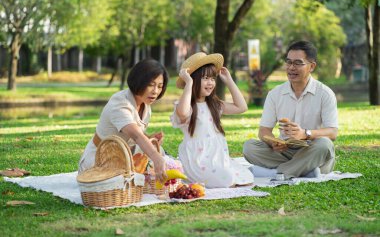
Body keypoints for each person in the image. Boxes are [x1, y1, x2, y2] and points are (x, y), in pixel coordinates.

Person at [243, 40, 338, 179]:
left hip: (312, 149)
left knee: (325, 145)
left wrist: (305, 133)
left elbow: (332, 132)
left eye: (298, 63)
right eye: (288, 62)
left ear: (311, 66)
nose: (291, 67)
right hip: (285, 151)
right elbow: (263, 131)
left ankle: (278, 173)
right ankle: (305, 171)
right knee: (249, 147)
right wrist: (273, 142)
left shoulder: (325, 93)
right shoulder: (275, 94)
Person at [170, 52, 254, 188]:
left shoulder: (214, 105)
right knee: (227, 179)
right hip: (198, 159)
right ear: (194, 80)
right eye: (205, 78)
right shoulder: (186, 106)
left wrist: (229, 81)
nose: (210, 82)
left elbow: (241, 107)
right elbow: (183, 113)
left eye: (212, 78)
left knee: (245, 176)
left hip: (217, 157)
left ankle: (221, 173)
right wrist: (188, 83)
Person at [78, 59, 169, 183]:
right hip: (99, 160)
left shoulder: (145, 104)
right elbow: (136, 135)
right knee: (156, 158)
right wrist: (157, 158)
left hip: (123, 157)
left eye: (160, 86)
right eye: (151, 85)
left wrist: (149, 138)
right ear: (139, 81)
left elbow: (135, 134)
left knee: (160, 153)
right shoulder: (120, 103)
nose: (155, 91)